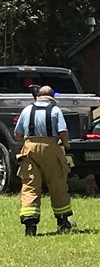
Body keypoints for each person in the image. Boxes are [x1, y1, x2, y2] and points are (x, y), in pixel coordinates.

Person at [14, 85, 76, 236]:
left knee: (30, 185)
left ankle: (30, 224)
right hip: (50, 148)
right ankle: (63, 221)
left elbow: (17, 135)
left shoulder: (27, 110)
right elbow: (63, 132)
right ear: (51, 97)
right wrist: (66, 145)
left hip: (29, 148)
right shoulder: (55, 110)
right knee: (57, 183)